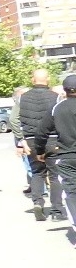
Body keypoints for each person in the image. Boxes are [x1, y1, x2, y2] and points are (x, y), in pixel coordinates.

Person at [13, 69, 63, 221]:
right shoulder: (57, 98)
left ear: (32, 80)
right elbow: (60, 119)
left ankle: (38, 203)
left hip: (31, 140)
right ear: (48, 79)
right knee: (55, 175)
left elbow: (14, 120)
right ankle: (56, 211)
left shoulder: (22, 98)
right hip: (52, 139)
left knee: (37, 173)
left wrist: (21, 140)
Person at [50, 75, 76, 232]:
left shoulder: (57, 108)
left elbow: (42, 130)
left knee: (71, 192)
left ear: (65, 91)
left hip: (66, 156)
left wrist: (40, 150)